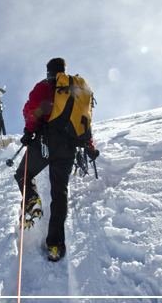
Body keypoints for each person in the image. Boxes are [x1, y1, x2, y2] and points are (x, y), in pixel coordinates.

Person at [14, 58, 99, 262]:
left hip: (46, 141)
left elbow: (34, 108)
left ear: (48, 70)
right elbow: (85, 121)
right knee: (59, 193)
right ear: (64, 70)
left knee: (23, 174)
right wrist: (90, 146)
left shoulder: (44, 86)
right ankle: (55, 246)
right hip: (69, 148)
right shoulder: (79, 91)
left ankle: (32, 201)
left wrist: (29, 131)